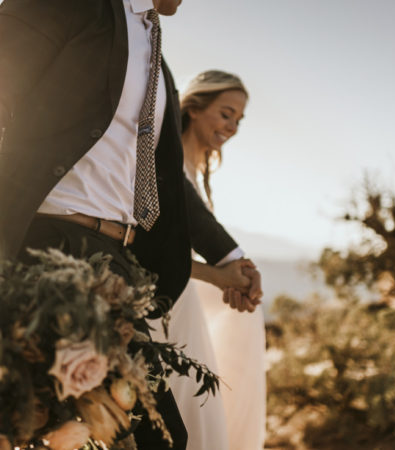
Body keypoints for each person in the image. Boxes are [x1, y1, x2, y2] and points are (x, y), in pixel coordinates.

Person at [0, 1, 261, 448]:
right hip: (46, 248)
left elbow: (166, 180)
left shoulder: (155, 57)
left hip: (119, 268)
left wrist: (230, 257)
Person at [153, 70, 267, 449]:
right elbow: (152, 249)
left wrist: (237, 278)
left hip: (187, 292)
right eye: (225, 113)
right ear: (195, 108)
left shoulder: (198, 172)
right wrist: (221, 278)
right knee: (187, 412)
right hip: (169, 301)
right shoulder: (165, 163)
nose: (232, 126)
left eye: (238, 119)